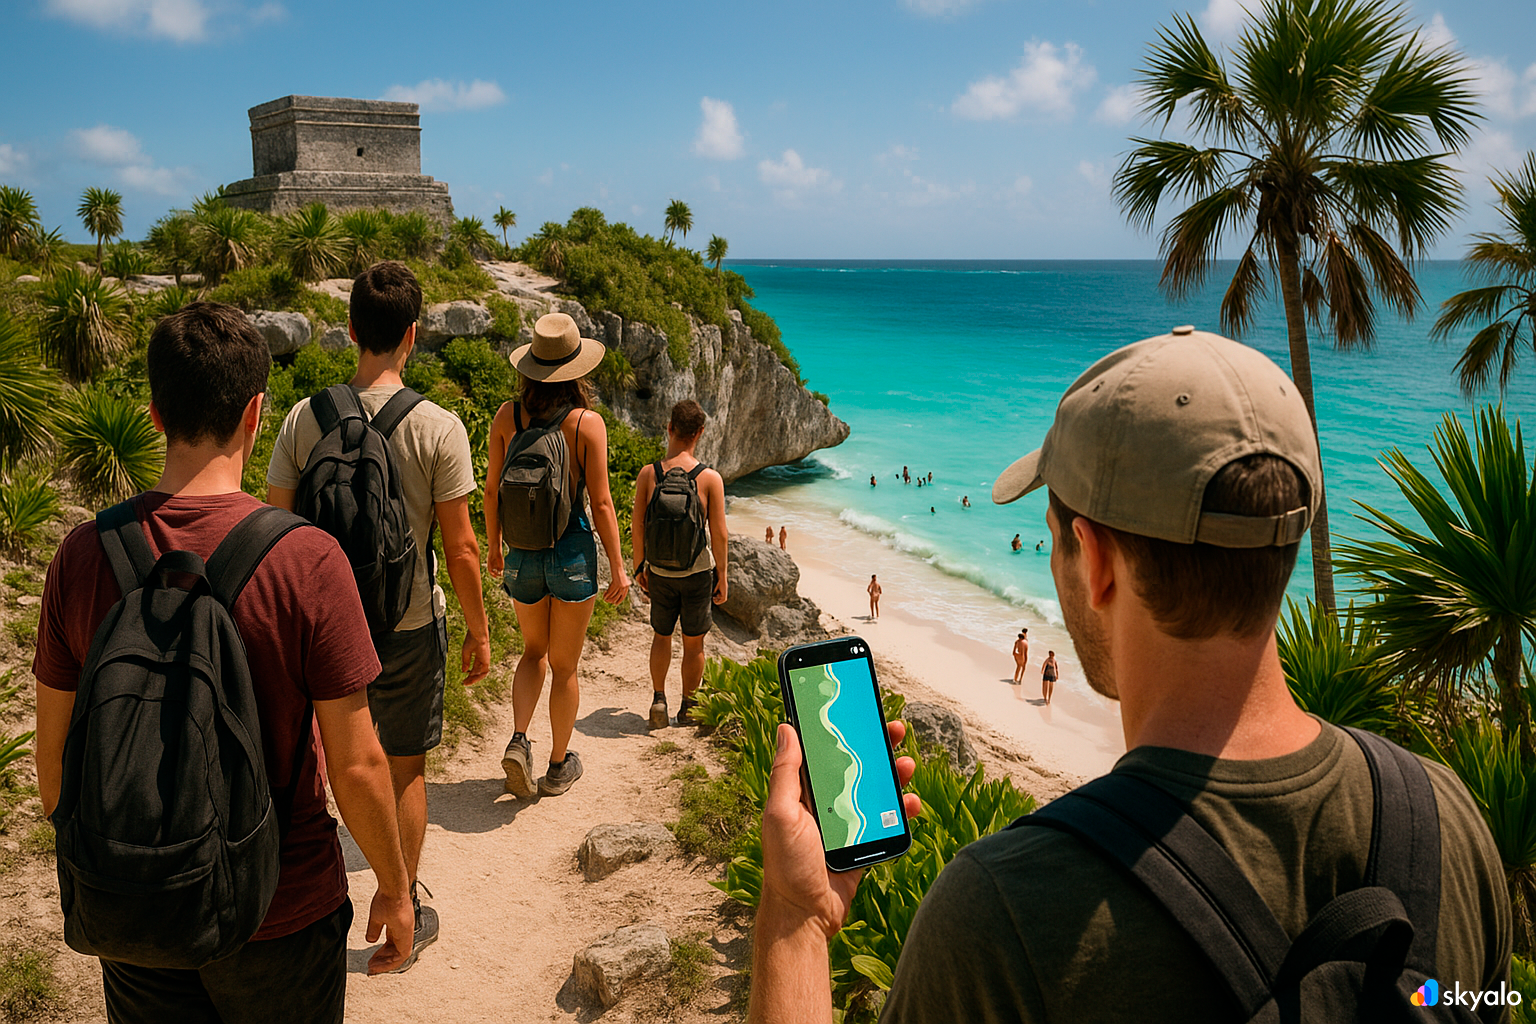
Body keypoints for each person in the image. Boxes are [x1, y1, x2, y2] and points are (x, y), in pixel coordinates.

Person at [748, 328, 1511, 1023]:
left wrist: (796, 916)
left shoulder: (1006, 910)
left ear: (1100, 562)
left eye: (1056, 539)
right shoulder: (1447, 823)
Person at [33, 302, 415, 1021]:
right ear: (256, 412)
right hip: (282, 909)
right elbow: (359, 761)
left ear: (153, 413)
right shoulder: (307, 558)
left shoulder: (82, 555)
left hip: (135, 912)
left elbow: (53, 760)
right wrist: (396, 889)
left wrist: (117, 868)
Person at [268, 261, 489, 967]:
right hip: (408, 625)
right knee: (404, 767)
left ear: (352, 332)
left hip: (320, 629)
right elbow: (460, 549)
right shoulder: (439, 427)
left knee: (315, 762)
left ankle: (307, 894)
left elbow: (274, 529)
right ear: (413, 337)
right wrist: (481, 633)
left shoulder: (306, 417)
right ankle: (405, 901)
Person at [486, 312, 629, 800]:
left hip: (522, 552)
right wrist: (619, 566)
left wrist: (493, 547)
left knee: (532, 653)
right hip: (571, 552)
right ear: (576, 369)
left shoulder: (508, 416)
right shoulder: (586, 424)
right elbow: (603, 503)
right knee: (564, 667)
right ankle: (556, 766)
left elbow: (489, 490)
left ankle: (518, 739)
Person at [632, 400, 728, 729]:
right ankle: (688, 707)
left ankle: (659, 698)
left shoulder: (650, 474)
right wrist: (723, 576)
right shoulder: (710, 478)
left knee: (661, 636)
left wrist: (639, 567)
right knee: (693, 642)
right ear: (699, 433)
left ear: (669, 428)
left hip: (659, 571)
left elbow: (639, 525)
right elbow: (719, 534)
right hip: (697, 571)